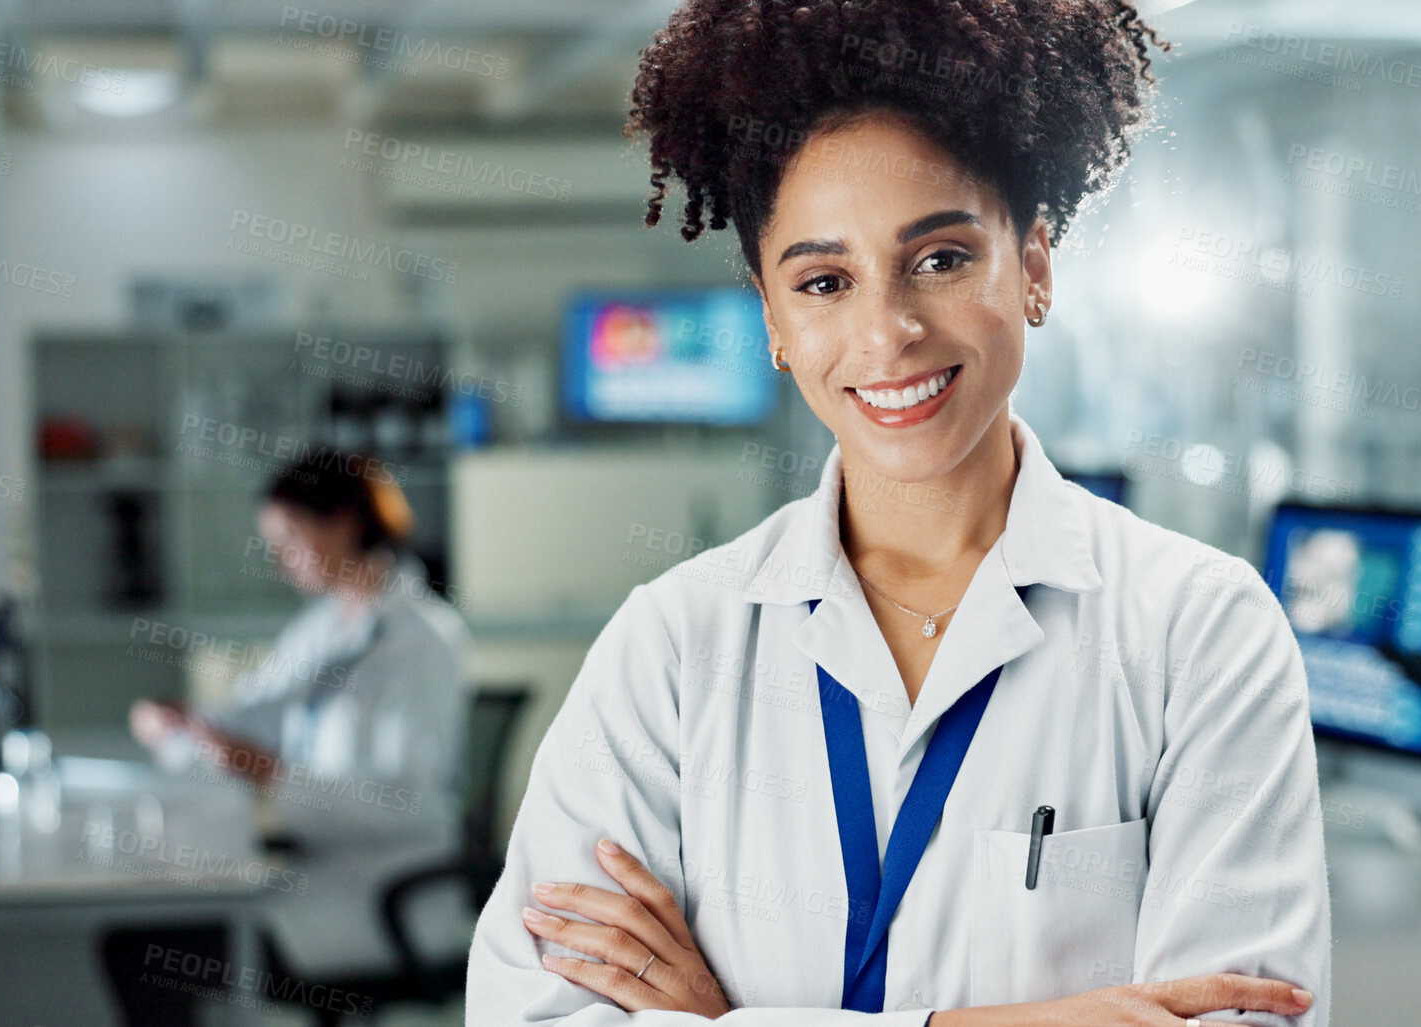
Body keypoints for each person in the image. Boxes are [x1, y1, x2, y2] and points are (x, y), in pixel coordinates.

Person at [467, 2, 1331, 1025]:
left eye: (941, 259)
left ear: (1037, 268)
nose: (888, 334)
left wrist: (722, 1019)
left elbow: (1245, 1015)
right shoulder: (673, 646)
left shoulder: (1200, 631)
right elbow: (534, 1011)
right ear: (775, 324)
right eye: (824, 282)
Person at [122, 450, 472, 997]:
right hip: (321, 872)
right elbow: (252, 713)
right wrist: (182, 726)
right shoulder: (323, 626)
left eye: (289, 540)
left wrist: (274, 776)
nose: (281, 560)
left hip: (385, 893)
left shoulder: (423, 639)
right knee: (148, 933)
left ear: (343, 524)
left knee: (149, 950)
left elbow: (410, 810)